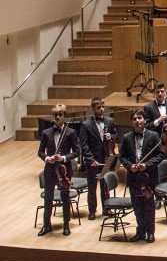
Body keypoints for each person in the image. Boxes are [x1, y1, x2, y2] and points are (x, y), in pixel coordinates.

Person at [119, 109, 161, 242]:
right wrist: (129, 166)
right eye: (135, 119)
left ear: (145, 120)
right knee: (137, 206)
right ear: (131, 122)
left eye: (140, 118)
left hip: (148, 176)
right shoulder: (126, 138)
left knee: (149, 206)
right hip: (134, 177)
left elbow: (160, 155)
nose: (137, 121)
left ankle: (150, 232)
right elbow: (122, 157)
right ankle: (141, 231)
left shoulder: (153, 135)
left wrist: (147, 165)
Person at [37, 105, 78, 236]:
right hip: (49, 169)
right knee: (48, 198)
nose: (58, 117)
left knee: (65, 197)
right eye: (56, 115)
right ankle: (46, 225)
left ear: (64, 116)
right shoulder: (46, 133)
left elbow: (77, 152)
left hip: (63, 169)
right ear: (53, 117)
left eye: (60, 114)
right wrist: (47, 158)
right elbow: (40, 152)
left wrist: (64, 157)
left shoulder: (70, 132)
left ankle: (66, 225)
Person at [79, 96, 115, 220]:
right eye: (98, 107)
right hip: (92, 161)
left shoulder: (109, 121)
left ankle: (107, 209)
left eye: (102, 107)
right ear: (93, 109)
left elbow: (115, 135)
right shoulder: (86, 124)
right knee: (92, 187)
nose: (101, 109)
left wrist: (111, 137)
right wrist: (90, 159)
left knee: (105, 186)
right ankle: (92, 211)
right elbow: (83, 144)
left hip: (105, 159)